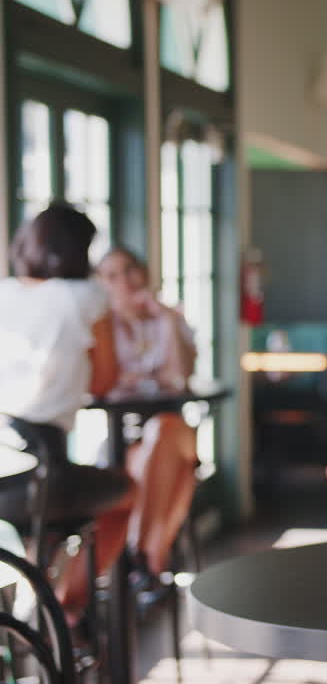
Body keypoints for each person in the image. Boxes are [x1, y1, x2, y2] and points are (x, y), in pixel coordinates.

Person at [0, 204, 135, 620]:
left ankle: (34, 608)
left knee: (52, 521)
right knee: (125, 496)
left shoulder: (4, 292)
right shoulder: (87, 297)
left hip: (3, 470)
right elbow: (105, 381)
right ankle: (65, 607)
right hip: (42, 472)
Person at [96, 248, 200, 579]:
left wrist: (168, 321)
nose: (124, 281)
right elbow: (102, 384)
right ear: (101, 283)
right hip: (124, 439)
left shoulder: (170, 319)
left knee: (163, 429)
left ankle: (139, 549)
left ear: (143, 273)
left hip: (175, 429)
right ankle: (151, 553)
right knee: (162, 469)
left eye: (129, 270)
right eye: (111, 275)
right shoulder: (103, 328)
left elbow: (180, 376)